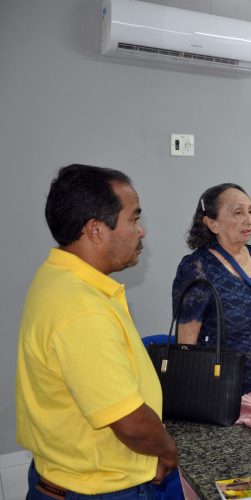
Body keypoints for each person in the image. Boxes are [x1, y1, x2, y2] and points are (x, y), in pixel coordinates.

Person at [17, 164, 178, 498]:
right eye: (134, 219)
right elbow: (130, 423)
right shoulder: (81, 307)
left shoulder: (57, 276)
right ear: (95, 230)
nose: (141, 231)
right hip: (97, 489)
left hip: (73, 477)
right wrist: (166, 450)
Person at [172, 183, 251, 394]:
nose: (249, 220)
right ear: (212, 223)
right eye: (238, 212)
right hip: (217, 389)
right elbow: (186, 347)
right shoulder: (196, 267)